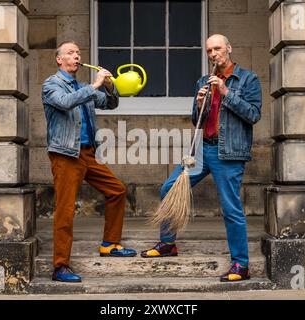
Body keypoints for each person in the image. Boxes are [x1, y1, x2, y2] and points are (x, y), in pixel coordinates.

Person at [141, 34, 262, 282]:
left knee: (231, 208)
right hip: (201, 149)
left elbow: (253, 115)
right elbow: (196, 120)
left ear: (229, 48)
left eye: (217, 48)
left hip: (228, 152)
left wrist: (226, 92)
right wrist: (199, 105)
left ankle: (241, 264)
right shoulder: (203, 80)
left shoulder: (248, 79)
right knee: (169, 188)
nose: (213, 54)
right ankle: (168, 244)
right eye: (209, 51)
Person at [42, 41, 137, 283]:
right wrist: (94, 85)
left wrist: (109, 87)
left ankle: (110, 244)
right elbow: (65, 102)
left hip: (87, 153)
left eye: (78, 53)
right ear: (59, 60)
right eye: (71, 53)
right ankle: (60, 266)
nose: (76, 56)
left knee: (117, 190)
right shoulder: (52, 85)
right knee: (65, 210)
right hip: (65, 154)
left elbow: (110, 103)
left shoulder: (83, 87)